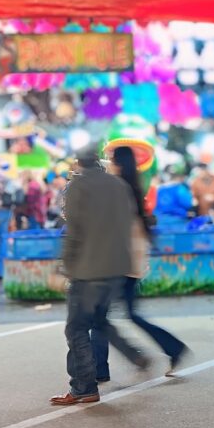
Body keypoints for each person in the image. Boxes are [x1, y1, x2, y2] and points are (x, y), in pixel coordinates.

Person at [50, 150, 153, 406]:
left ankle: (83, 387)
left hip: (88, 269)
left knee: (76, 328)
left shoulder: (77, 186)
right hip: (117, 267)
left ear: (77, 162)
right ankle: (132, 353)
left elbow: (74, 231)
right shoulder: (119, 185)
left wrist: (64, 268)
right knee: (98, 321)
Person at [91, 146, 189, 382]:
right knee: (123, 315)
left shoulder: (119, 190)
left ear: (119, 163)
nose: (109, 164)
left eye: (112, 161)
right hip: (130, 263)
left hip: (120, 263)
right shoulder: (130, 187)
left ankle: (115, 364)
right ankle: (171, 349)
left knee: (97, 316)